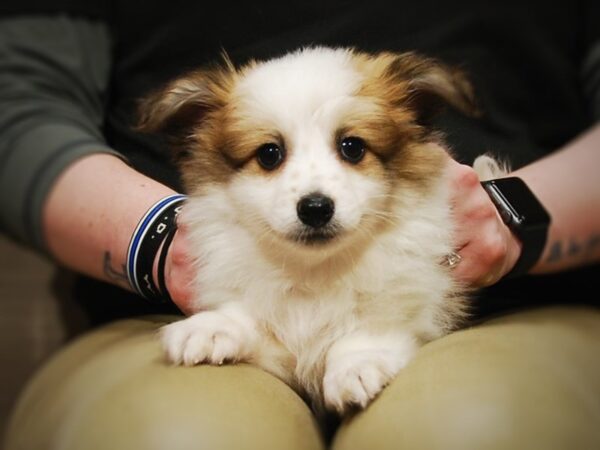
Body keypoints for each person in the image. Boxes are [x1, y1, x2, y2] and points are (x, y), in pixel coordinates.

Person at [1, 1, 599, 449]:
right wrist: (165, 249)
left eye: (352, 147)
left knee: (467, 430)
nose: (314, 192)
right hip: (160, 310)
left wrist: (518, 219)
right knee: (176, 438)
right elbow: (18, 103)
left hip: (515, 303)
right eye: (269, 155)